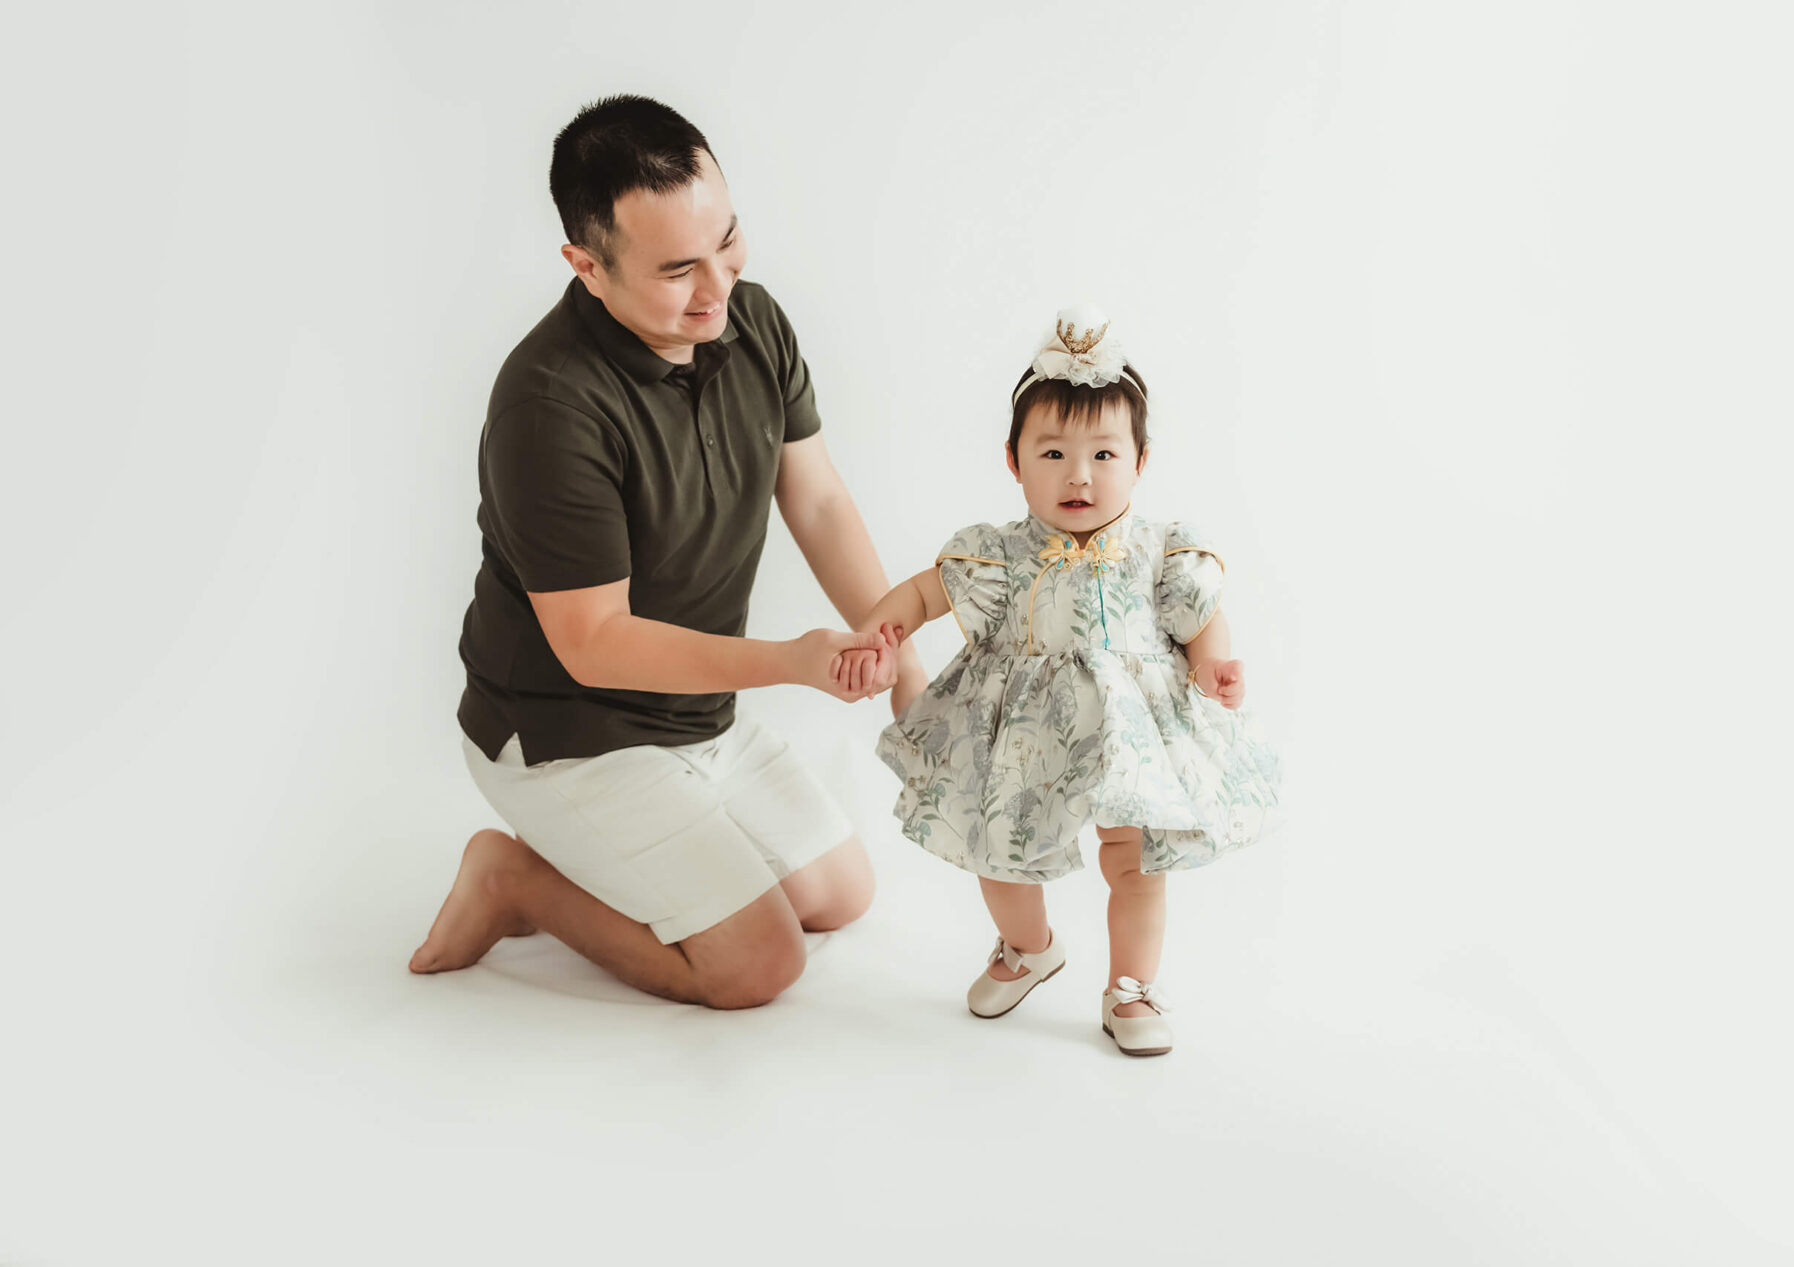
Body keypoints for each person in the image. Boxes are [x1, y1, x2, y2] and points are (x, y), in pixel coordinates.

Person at [409, 95, 924, 1009]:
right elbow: (594, 641)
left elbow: (817, 497)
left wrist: (903, 653)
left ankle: (657, 833)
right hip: (571, 731)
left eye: (728, 241)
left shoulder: (749, 321)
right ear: (587, 266)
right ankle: (513, 880)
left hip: (696, 711)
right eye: (678, 268)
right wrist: (790, 663)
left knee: (842, 895)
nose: (716, 287)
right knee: (758, 967)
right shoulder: (549, 403)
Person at [833, 307, 1281, 1056]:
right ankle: (1028, 944)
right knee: (999, 848)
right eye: (1053, 452)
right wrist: (880, 630)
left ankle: (1131, 986)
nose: (1079, 474)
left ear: (1140, 460)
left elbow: (1201, 618)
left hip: (1128, 732)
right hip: (1021, 732)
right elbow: (920, 593)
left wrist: (1214, 665)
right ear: (1013, 460)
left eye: (1105, 454)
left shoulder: (1159, 551)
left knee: (1132, 857)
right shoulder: (999, 554)